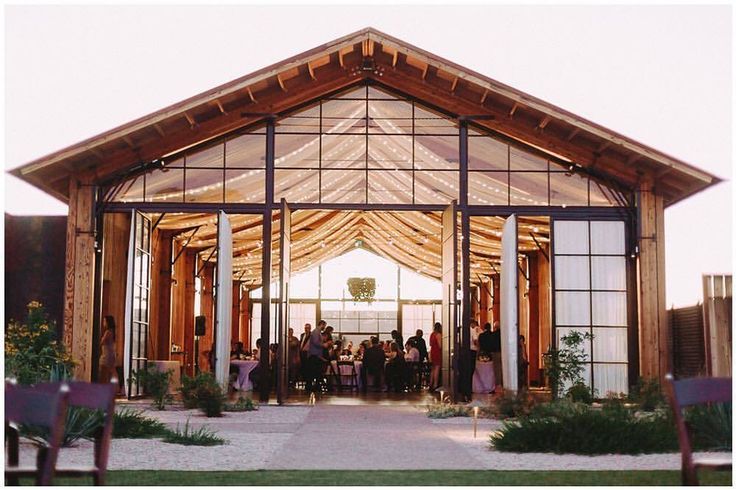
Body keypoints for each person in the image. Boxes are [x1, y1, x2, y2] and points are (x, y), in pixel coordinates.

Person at [306, 321, 327, 393]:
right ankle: (311, 386)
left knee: (315, 372)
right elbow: (315, 342)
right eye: (324, 326)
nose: (324, 328)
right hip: (314, 355)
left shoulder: (317, 332)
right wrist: (324, 344)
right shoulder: (315, 332)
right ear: (322, 325)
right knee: (313, 372)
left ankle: (315, 386)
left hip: (316, 355)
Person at [99, 315, 117, 384]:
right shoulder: (112, 332)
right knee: (108, 375)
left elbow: (101, 343)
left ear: (108, 322)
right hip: (111, 354)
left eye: (104, 321)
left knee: (103, 374)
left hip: (106, 355)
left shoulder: (108, 332)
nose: (103, 323)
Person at [429, 322, 442, 391]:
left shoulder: (432, 334)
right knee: (437, 368)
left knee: (433, 369)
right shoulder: (438, 335)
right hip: (437, 352)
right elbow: (440, 346)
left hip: (432, 351)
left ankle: (431, 383)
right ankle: (435, 384)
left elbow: (430, 344)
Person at [490, 321, 503, 388]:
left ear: (495, 327)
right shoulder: (503, 334)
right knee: (503, 368)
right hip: (503, 353)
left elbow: (491, 344)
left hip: (496, 353)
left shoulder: (493, 334)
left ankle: (498, 384)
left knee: (497, 369)